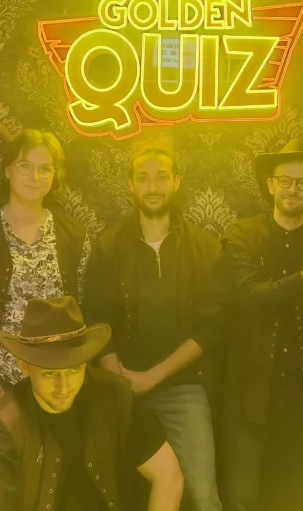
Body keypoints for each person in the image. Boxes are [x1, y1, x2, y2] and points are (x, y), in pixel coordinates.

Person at [82, 138, 225, 511]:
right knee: (109, 490)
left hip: (183, 388)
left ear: (176, 182)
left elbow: (211, 328)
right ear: (131, 185)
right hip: (119, 388)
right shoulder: (109, 246)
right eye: (143, 178)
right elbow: (96, 317)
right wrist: (118, 378)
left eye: (161, 176)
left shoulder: (205, 248)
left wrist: (152, 377)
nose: (152, 186)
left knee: (203, 496)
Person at [0, 296, 184, 511]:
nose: (64, 386)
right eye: (50, 374)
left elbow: (168, 476)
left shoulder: (114, 395)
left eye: (75, 369)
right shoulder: (4, 425)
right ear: (24, 367)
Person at [221, 139, 303, 511]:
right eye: (285, 181)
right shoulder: (241, 235)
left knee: (296, 496)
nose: (293, 189)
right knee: (241, 494)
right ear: (270, 185)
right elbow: (246, 296)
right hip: (249, 390)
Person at [0, 130, 92, 404]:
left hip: (60, 385)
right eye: (25, 166)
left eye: (44, 169)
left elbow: (84, 309)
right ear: (8, 171)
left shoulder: (74, 236)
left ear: (54, 176)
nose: (35, 177)